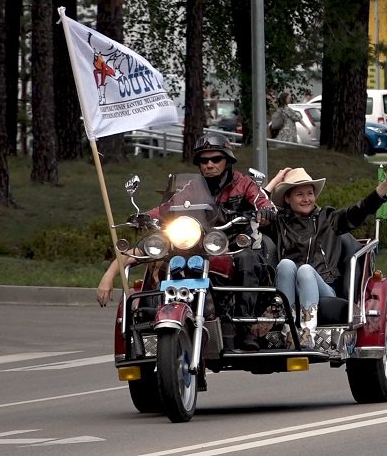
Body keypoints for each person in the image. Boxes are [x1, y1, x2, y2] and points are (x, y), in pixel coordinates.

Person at [97, 132, 276, 351]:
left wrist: (266, 210)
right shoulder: (193, 187)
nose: (209, 165)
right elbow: (167, 208)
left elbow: (262, 200)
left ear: (228, 160)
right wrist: (144, 216)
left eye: (216, 159)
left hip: (234, 243)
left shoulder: (244, 183)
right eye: (204, 160)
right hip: (200, 243)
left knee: (248, 259)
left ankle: (244, 326)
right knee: (160, 247)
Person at [264, 157, 387, 350]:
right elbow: (252, 212)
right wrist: (274, 182)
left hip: (325, 287)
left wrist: (386, 184)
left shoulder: (328, 218)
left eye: (310, 193)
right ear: (287, 199)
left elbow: (358, 211)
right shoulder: (278, 222)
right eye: (299, 194)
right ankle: (288, 330)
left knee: (305, 270)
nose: (306, 199)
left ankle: (307, 333)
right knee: (285, 264)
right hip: (291, 289)